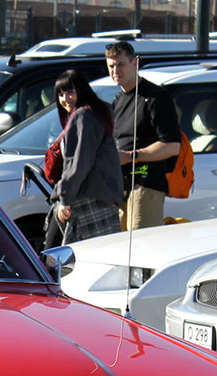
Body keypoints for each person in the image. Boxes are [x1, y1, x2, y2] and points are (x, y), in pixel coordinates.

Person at [105, 40, 182, 230]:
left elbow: (172, 146)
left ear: (135, 63)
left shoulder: (156, 97)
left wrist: (132, 157)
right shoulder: (117, 100)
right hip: (119, 188)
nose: (116, 71)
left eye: (121, 64)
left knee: (141, 247)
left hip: (146, 185)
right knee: (120, 248)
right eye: (111, 66)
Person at [45, 70, 122, 248]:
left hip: (85, 200)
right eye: (61, 94)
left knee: (55, 260)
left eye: (70, 92)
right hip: (102, 200)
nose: (65, 99)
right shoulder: (98, 112)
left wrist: (64, 198)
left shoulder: (84, 116)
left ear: (82, 90)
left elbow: (78, 163)